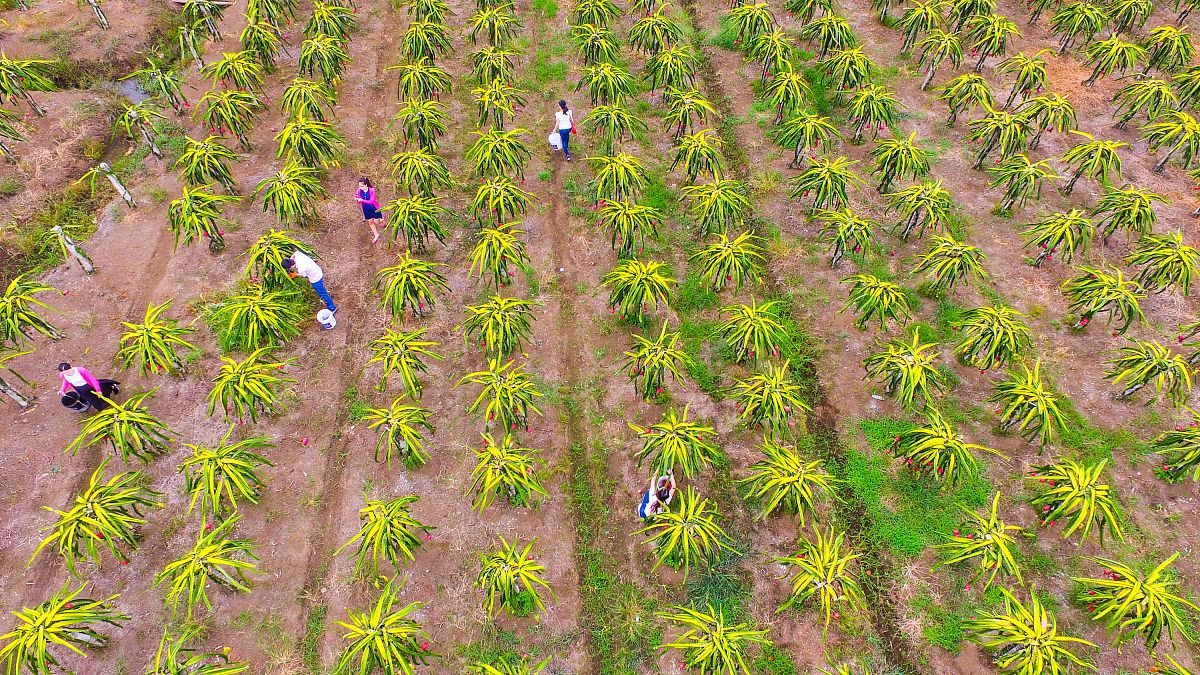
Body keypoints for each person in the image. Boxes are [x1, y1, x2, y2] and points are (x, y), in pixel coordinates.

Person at [354, 177, 383, 244]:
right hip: (366, 209)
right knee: (370, 222)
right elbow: (358, 200)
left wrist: (362, 200)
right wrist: (357, 199)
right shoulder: (359, 191)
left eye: (361, 186)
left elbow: (372, 201)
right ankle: (376, 235)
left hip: (374, 208)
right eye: (359, 186)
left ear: (366, 185)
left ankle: (381, 220)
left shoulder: (371, 190)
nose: (360, 187)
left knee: (376, 222)